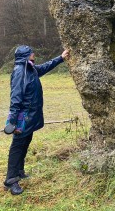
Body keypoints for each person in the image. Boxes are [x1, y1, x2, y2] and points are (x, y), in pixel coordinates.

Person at [4, 45, 70, 195]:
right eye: (31, 52)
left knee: (25, 142)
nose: (34, 53)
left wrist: (61, 58)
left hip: (30, 116)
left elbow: (45, 67)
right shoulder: (20, 72)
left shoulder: (30, 68)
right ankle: (10, 180)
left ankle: (19, 171)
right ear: (26, 56)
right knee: (17, 146)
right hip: (22, 116)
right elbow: (15, 98)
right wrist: (12, 122)